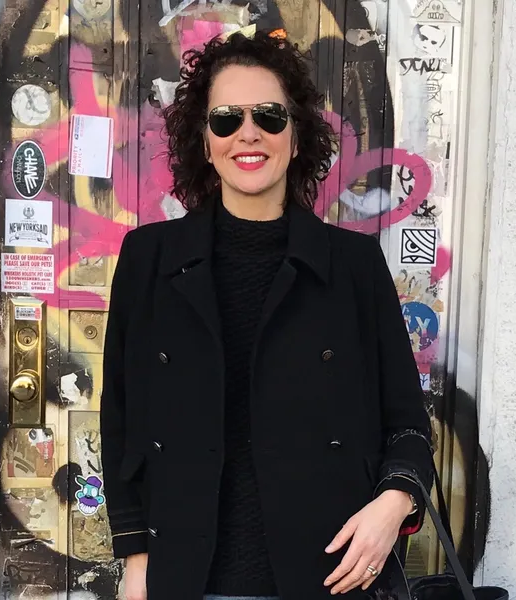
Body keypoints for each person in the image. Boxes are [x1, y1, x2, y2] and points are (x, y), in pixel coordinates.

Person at [100, 30, 433, 600]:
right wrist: (135, 556)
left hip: (329, 573)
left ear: (296, 136)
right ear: (205, 141)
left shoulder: (353, 265)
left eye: (269, 117)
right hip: (185, 576)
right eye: (226, 119)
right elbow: (122, 419)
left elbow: (406, 422)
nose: (248, 133)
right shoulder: (148, 259)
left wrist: (393, 504)